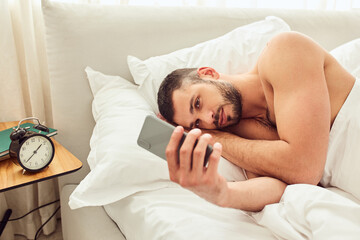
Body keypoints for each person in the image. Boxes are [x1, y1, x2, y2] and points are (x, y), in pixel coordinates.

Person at [156, 31, 358, 211]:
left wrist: (213, 139)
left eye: (198, 103)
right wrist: (222, 193)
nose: (208, 119)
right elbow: (280, 190)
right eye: (197, 124)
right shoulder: (241, 134)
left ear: (209, 74)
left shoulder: (284, 51)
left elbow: (305, 169)